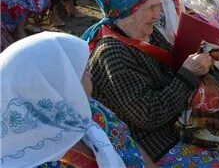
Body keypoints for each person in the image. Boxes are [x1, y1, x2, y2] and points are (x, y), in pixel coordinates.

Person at [83, 0, 219, 166]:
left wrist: (205, 54)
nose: (158, 14)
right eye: (151, 8)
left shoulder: (146, 32)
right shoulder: (111, 54)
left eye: (158, 5)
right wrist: (187, 74)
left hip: (177, 121)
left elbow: (170, 65)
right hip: (153, 143)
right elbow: (148, 115)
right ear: (127, 11)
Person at [0, 31, 150, 167]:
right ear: (53, 88)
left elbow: (130, 144)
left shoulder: (88, 109)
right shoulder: (31, 159)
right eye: (82, 71)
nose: (90, 75)